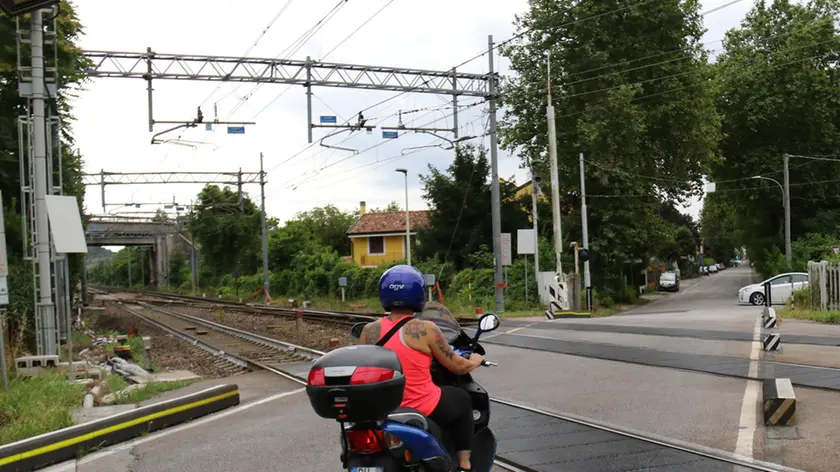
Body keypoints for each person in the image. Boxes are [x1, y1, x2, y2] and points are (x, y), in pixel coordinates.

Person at [360, 265, 483, 472]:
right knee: (462, 400)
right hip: (420, 404)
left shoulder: (368, 330)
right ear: (418, 294)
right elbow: (457, 366)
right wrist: (476, 361)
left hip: (382, 405)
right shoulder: (426, 329)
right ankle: (464, 463)